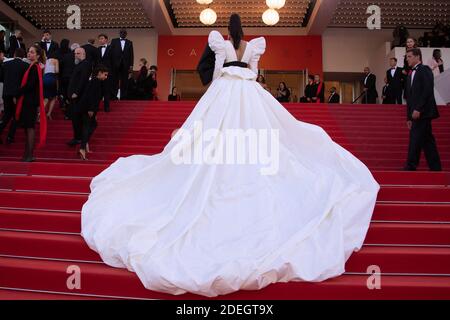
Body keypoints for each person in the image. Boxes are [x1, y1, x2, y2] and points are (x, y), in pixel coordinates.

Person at [81, 13, 379, 298]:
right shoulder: (253, 46)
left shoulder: (221, 44)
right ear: (244, 31)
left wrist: (221, 81)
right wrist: (243, 75)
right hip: (249, 92)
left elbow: (215, 72)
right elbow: (254, 73)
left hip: (224, 90)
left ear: (228, 29)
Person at [404, 48, 441, 172]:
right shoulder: (410, 74)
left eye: (409, 56)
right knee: (427, 141)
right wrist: (408, 117)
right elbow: (409, 97)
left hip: (423, 112)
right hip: (414, 113)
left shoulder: (424, 70)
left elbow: (427, 90)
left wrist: (418, 109)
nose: (407, 59)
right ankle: (436, 168)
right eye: (406, 56)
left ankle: (410, 166)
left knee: (415, 137)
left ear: (417, 57)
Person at [15, 45, 47, 162]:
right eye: (29, 52)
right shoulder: (34, 66)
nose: (29, 54)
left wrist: (17, 92)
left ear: (38, 55)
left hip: (29, 102)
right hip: (30, 101)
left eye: (32, 52)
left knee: (30, 128)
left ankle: (29, 155)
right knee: (28, 128)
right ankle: (27, 154)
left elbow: (30, 85)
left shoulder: (34, 67)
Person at [77, 65, 109, 160]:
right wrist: (91, 110)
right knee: (88, 126)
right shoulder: (95, 81)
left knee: (92, 125)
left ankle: (84, 144)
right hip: (88, 108)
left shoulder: (95, 81)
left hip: (88, 108)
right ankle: (83, 147)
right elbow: (91, 96)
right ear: (99, 73)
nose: (106, 77)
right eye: (105, 74)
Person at [0, 48, 28, 145]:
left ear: (15, 54)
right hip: (17, 94)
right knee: (16, 116)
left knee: (7, 115)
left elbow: (2, 78)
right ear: (23, 56)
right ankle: (10, 136)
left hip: (6, 92)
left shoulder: (6, 64)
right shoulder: (25, 66)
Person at [66, 47, 91, 146]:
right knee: (75, 118)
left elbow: (83, 80)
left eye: (78, 53)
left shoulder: (86, 64)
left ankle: (79, 138)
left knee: (78, 119)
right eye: (75, 53)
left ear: (84, 54)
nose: (75, 55)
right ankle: (77, 137)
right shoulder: (79, 65)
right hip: (75, 96)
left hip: (79, 97)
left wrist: (76, 92)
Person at [110, 29, 134, 100]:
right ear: (119, 33)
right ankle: (114, 96)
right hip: (115, 64)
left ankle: (123, 96)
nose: (123, 34)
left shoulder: (130, 42)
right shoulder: (114, 41)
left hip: (125, 64)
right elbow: (111, 53)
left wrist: (131, 65)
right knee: (114, 80)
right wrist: (111, 63)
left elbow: (131, 54)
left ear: (126, 34)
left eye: (124, 33)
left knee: (125, 81)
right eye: (121, 32)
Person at [97, 34, 113, 112]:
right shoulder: (98, 49)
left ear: (106, 39)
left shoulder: (111, 48)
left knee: (106, 90)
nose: (100, 40)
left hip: (108, 72)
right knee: (98, 90)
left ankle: (106, 107)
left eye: (102, 38)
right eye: (99, 39)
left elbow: (113, 61)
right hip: (99, 73)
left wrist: (110, 72)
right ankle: (96, 106)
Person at [43, 53, 59, 119]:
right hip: (52, 78)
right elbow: (57, 71)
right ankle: (48, 113)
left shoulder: (45, 61)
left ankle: (40, 113)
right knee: (53, 97)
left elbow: (43, 72)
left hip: (44, 79)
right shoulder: (55, 60)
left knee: (45, 98)